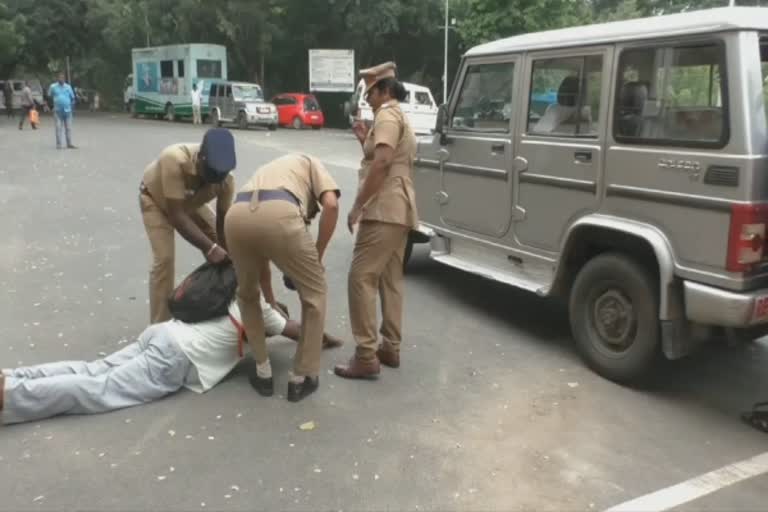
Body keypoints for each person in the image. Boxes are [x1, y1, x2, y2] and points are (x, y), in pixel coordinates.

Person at [0, 298, 344, 426]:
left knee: (95, 368)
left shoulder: (236, 291)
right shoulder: (264, 313)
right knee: (98, 389)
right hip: (174, 358)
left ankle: (13, 376)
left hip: (162, 333)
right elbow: (303, 331)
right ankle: (11, 396)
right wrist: (327, 339)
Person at [224, 154, 340, 402]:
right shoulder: (311, 162)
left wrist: (271, 301)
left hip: (236, 216)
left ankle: (263, 372)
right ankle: (302, 377)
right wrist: (317, 256)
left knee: (247, 295)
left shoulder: (273, 169)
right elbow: (331, 204)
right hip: (281, 213)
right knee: (315, 293)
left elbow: (262, 254)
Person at [334, 62, 419, 379]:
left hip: (383, 206)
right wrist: (363, 140)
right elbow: (385, 157)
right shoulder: (398, 115)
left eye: (370, 92)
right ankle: (390, 347)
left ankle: (366, 355)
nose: (367, 98)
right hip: (400, 206)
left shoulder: (386, 114)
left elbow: (382, 162)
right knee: (389, 277)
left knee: (360, 277)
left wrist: (358, 205)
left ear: (384, 90)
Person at [140, 128, 236, 324]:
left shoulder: (226, 178)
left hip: (191, 203)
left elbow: (222, 222)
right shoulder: (174, 159)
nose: (211, 182)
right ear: (199, 157)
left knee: (227, 254)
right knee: (164, 260)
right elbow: (176, 216)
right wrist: (210, 248)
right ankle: (158, 326)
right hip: (156, 202)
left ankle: (224, 307)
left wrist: (226, 253)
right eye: (207, 176)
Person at [48, 72, 76, 149]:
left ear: (65, 79)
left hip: (68, 111)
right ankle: (59, 144)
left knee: (68, 128)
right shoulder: (53, 87)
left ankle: (69, 144)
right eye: (60, 77)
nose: (61, 79)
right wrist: (51, 107)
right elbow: (49, 97)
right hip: (57, 111)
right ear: (57, 78)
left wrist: (72, 107)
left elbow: (73, 98)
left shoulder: (68, 87)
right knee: (58, 128)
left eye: (63, 78)